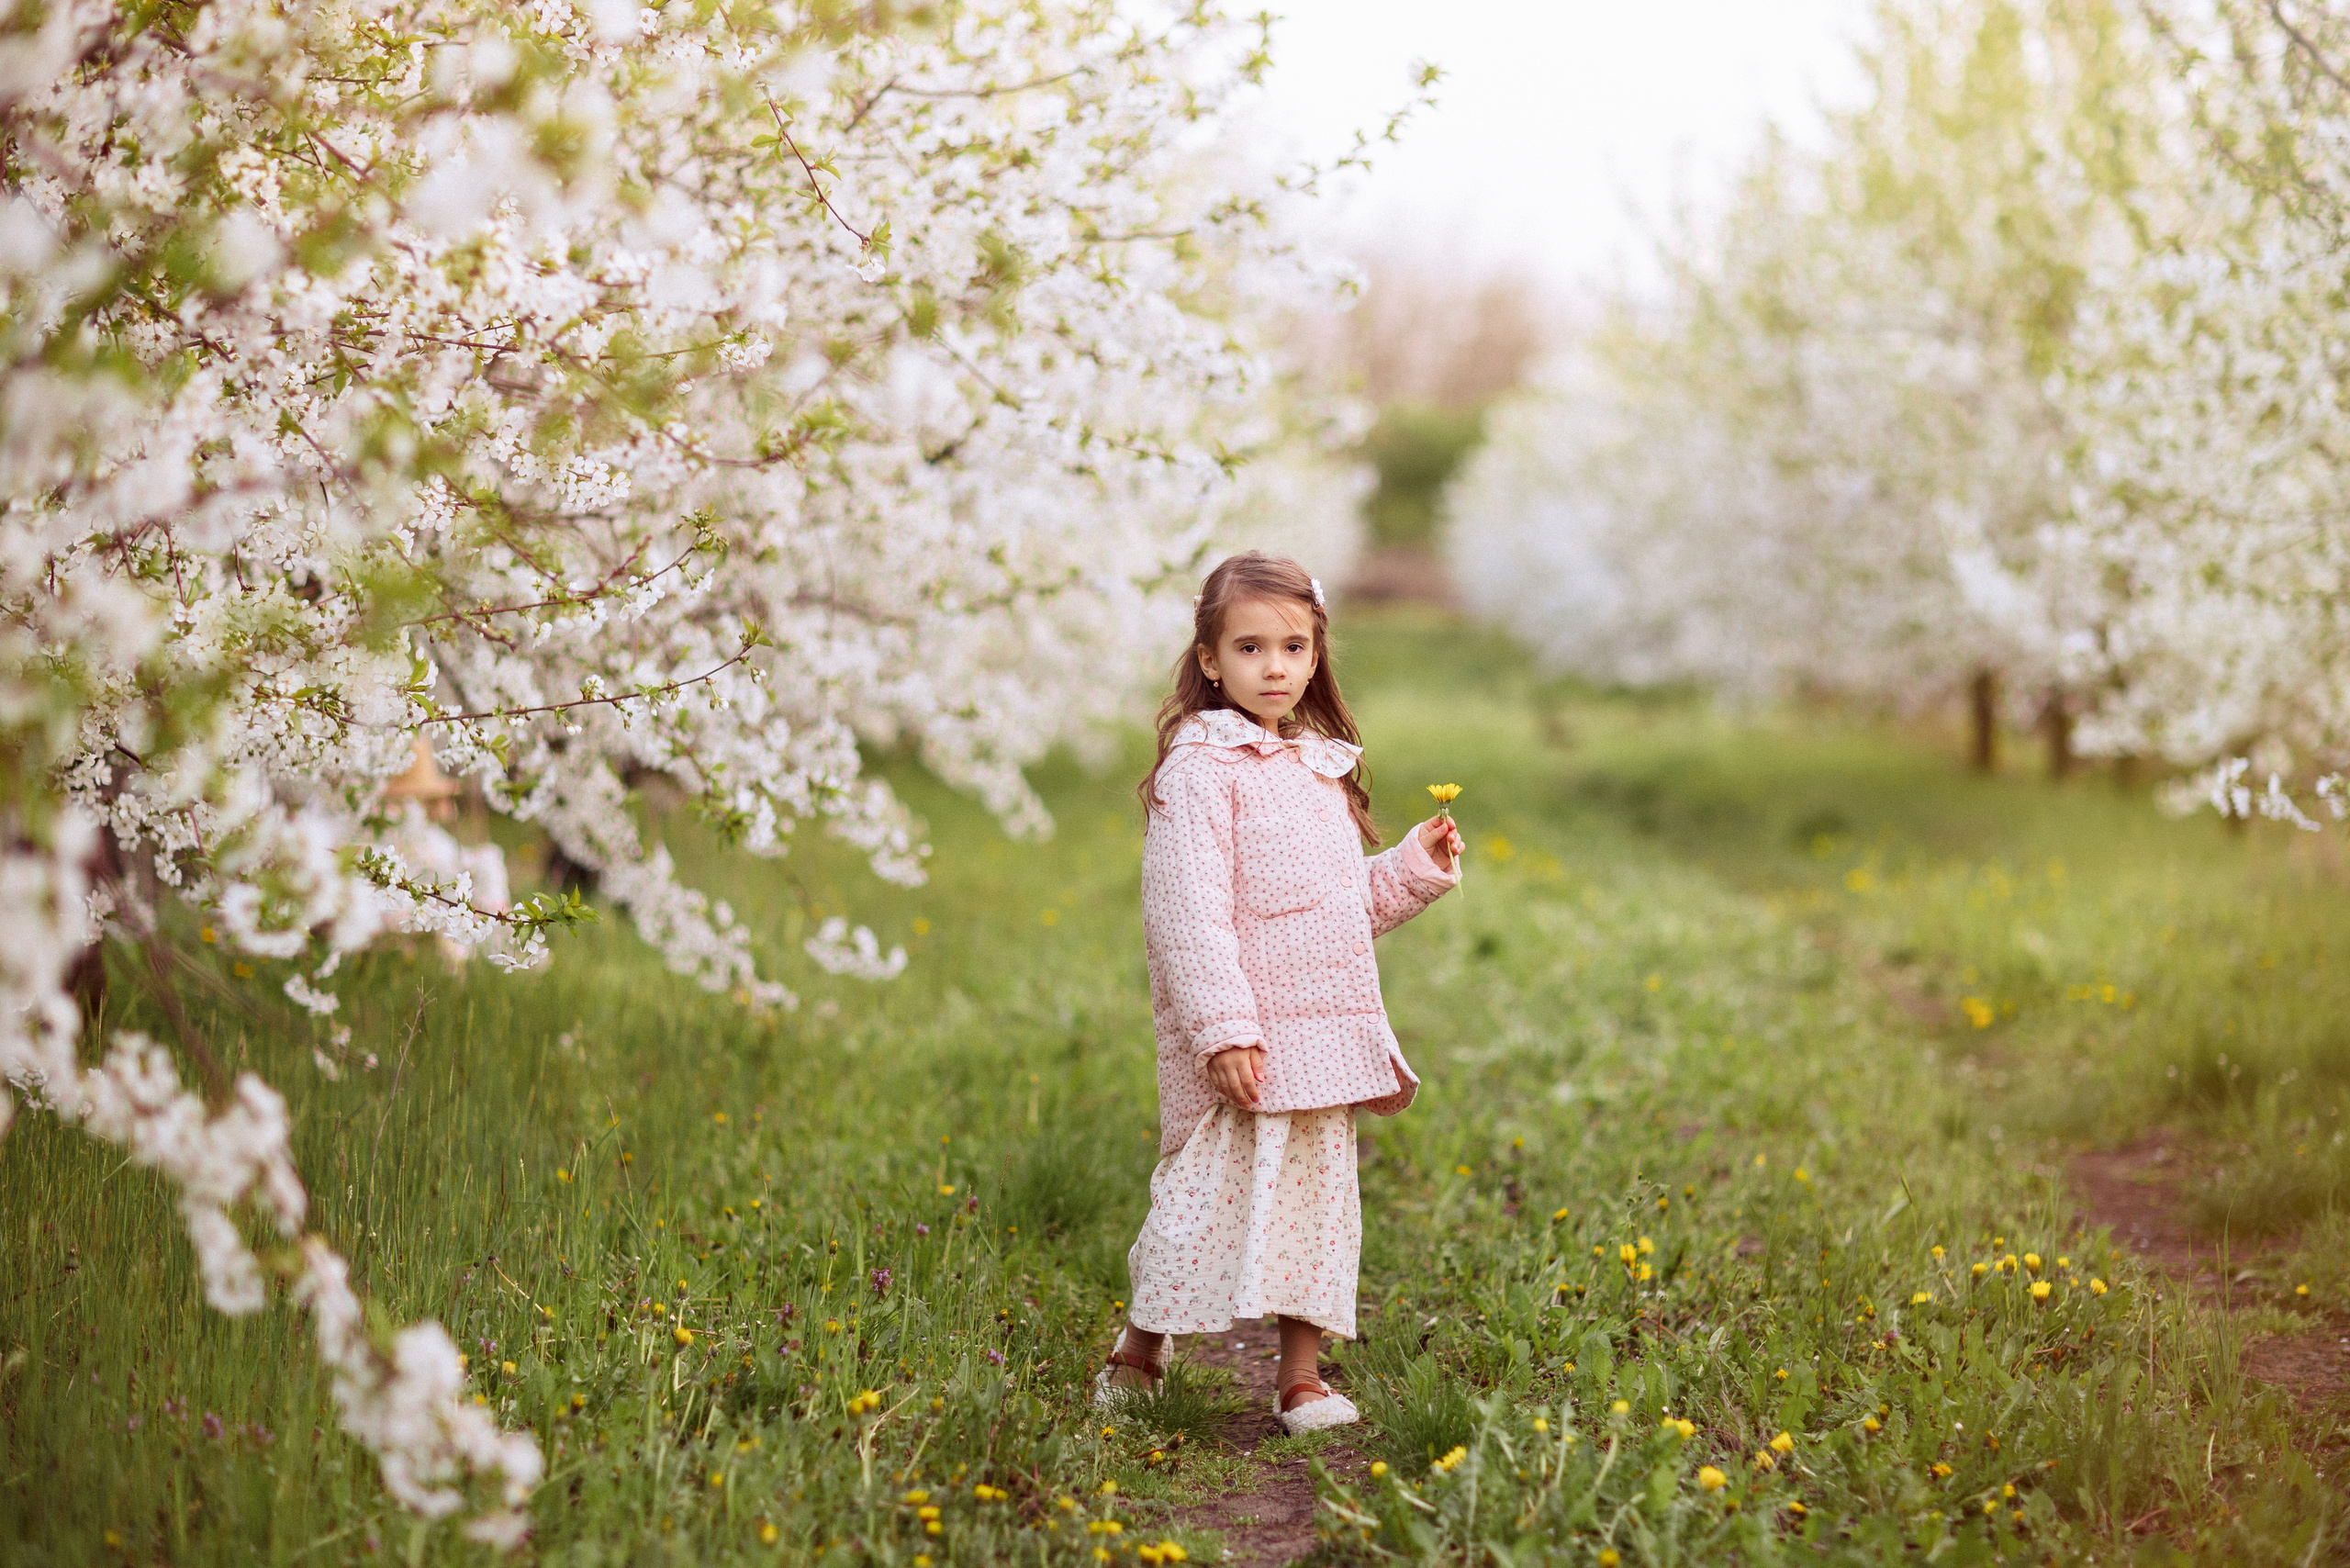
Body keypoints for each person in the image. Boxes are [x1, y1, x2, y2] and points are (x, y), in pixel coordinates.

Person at [1099, 551, 1462, 1434]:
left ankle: (1300, 1377)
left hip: (1327, 1033)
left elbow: (1338, 911)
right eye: (1251, 647)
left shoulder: (1316, 765)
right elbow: (1188, 912)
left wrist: (1411, 866)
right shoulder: (1201, 770)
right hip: (1248, 1043)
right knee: (1197, 1203)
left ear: (1315, 655)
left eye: (1293, 647)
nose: (1275, 667)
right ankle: (1142, 1346)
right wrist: (1223, 1030)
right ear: (1211, 659)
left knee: (1317, 1209)